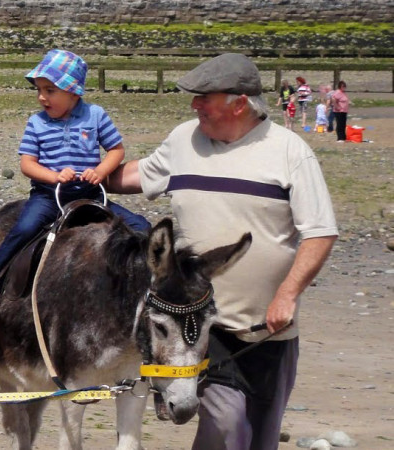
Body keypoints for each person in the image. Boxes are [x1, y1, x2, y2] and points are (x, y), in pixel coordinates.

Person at [107, 53, 337, 450]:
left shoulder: (290, 151)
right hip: (198, 327)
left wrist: (287, 295)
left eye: (203, 97)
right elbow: (133, 175)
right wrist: (81, 172)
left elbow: (320, 232)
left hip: (270, 330)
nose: (194, 105)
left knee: (259, 439)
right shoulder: (184, 139)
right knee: (227, 427)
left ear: (239, 103)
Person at [0, 49, 150, 317]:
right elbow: (27, 164)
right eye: (39, 90)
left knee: (140, 226)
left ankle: (147, 284)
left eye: (50, 90)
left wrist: (100, 171)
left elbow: (116, 150)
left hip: (90, 193)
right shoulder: (36, 123)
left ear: (73, 91)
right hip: (49, 195)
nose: (42, 97)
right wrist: (53, 176)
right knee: (25, 228)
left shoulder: (96, 115)